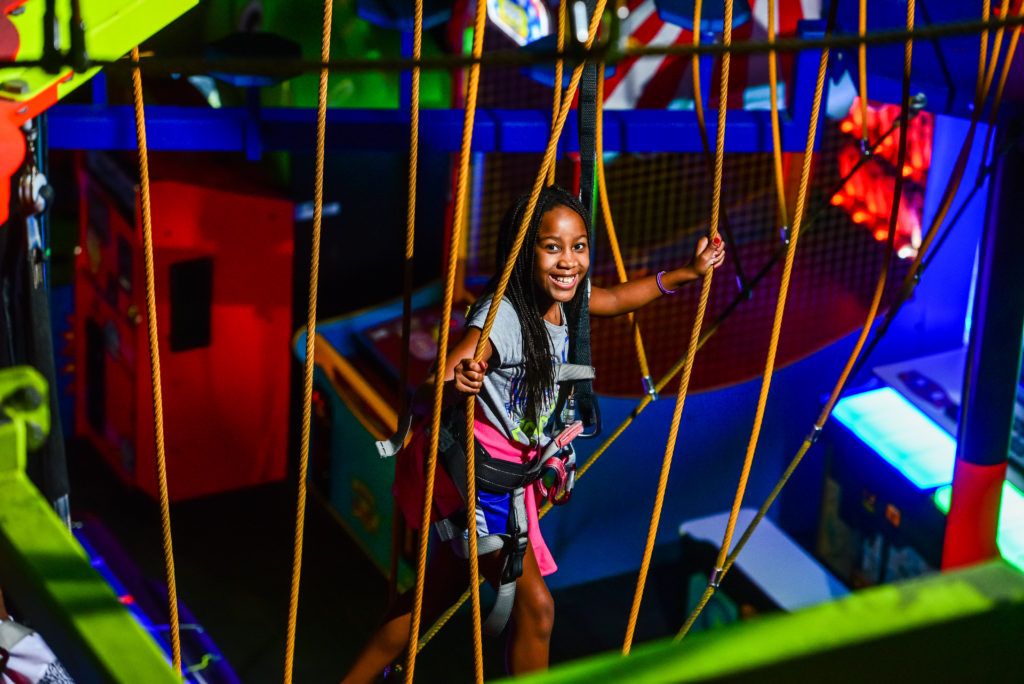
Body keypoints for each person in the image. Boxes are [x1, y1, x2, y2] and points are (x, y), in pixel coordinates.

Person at [340, 185, 725, 682]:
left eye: (579, 246)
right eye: (552, 247)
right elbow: (434, 386)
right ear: (525, 252)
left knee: (429, 602)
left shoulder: (565, 299)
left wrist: (686, 274)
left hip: (508, 480)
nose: (569, 261)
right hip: (476, 482)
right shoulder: (502, 316)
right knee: (537, 611)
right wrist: (460, 382)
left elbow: (613, 299)